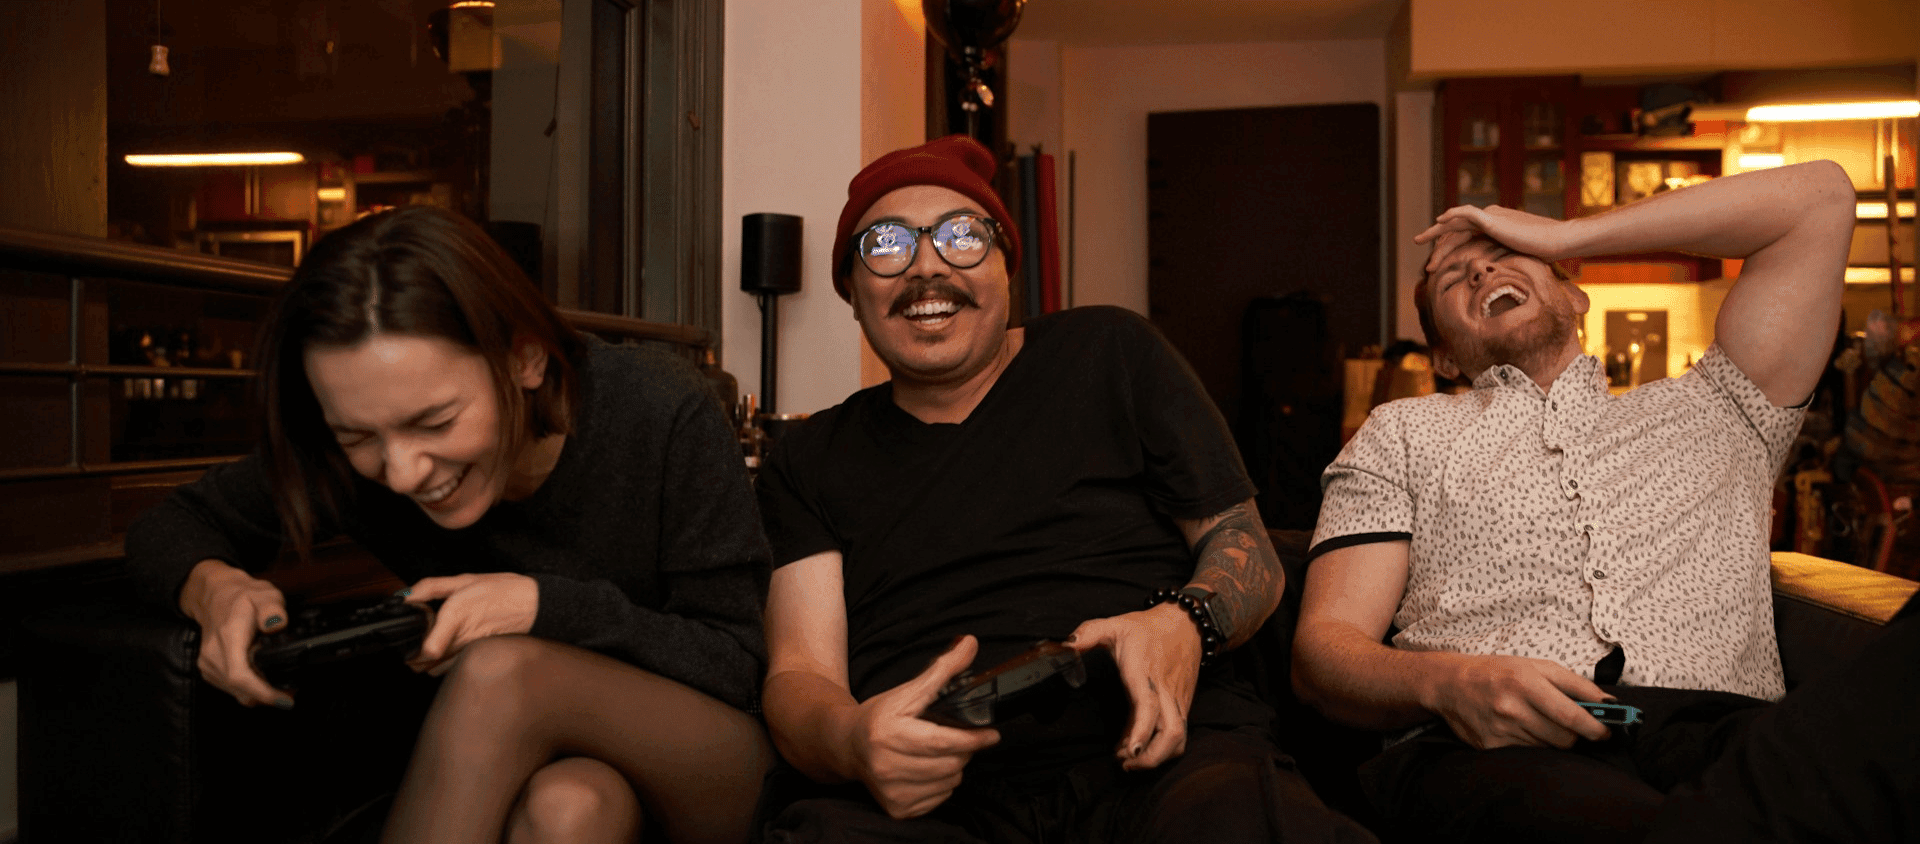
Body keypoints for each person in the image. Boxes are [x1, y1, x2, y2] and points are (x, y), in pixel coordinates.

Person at [753, 134, 1373, 842]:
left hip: (1165, 761)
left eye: (962, 237)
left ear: (1006, 269)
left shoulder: (1110, 353)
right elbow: (801, 673)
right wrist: (853, 740)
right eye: (886, 246)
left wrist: (1183, 622)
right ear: (852, 293)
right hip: (933, 803)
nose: (927, 267)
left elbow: (1250, 554)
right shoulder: (805, 457)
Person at [125, 206, 774, 844]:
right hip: (560, 770)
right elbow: (171, 525)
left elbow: (736, 665)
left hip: (713, 759)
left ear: (526, 360)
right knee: (570, 809)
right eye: (357, 435)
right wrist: (213, 588)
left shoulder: (659, 409)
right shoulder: (359, 460)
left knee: (502, 672)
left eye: (435, 422)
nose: (403, 473)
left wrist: (541, 607)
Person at [1292, 159, 1862, 842]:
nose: (1480, 271)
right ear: (1444, 358)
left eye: (1507, 256)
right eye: (1452, 277)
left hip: (1724, 737)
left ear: (1577, 294)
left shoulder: (1723, 408)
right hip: (1498, 753)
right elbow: (1325, 652)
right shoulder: (1403, 432)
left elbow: (1821, 199)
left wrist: (1562, 236)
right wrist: (1453, 685)